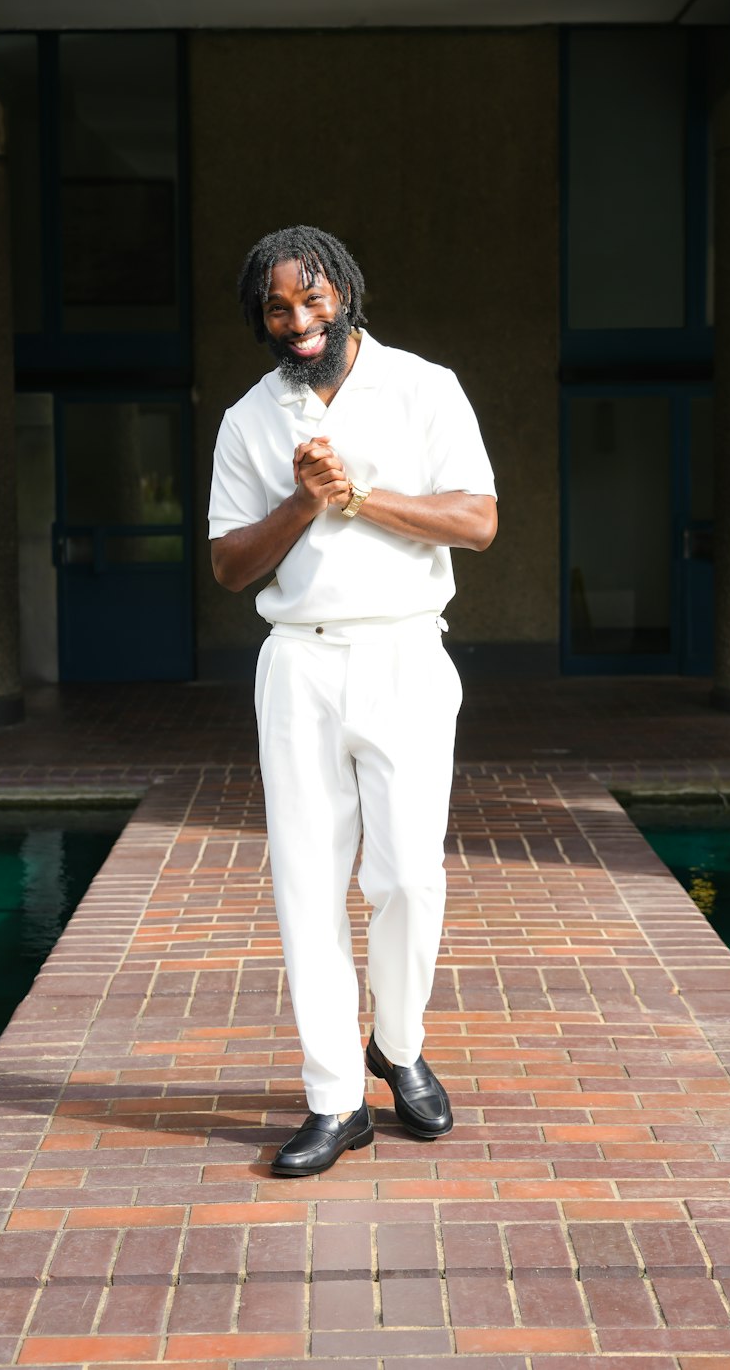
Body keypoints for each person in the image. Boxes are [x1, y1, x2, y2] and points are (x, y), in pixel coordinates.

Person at [208, 225, 497, 1176]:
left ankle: (400, 1047)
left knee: (409, 877)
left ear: (348, 295)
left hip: (408, 653)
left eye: (314, 300)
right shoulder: (251, 418)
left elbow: (478, 520)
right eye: (278, 308)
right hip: (300, 664)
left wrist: (359, 496)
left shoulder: (425, 386)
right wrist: (300, 503)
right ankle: (335, 1101)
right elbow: (227, 565)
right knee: (306, 885)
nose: (299, 322)